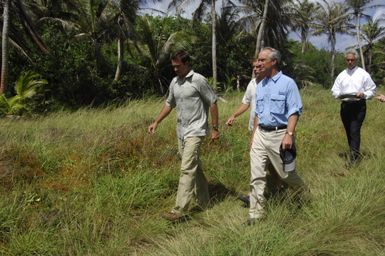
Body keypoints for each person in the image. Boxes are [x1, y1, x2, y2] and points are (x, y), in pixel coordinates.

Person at [148, 50, 219, 222]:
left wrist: (215, 128)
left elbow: (213, 101)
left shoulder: (198, 80)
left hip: (196, 130)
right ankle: (204, 201)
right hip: (181, 131)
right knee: (193, 165)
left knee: (186, 168)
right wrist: (156, 121)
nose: (175, 69)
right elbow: (169, 104)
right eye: (173, 66)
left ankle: (179, 210)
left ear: (187, 64)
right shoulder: (174, 82)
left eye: (178, 66)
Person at [247, 47, 307, 225]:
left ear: (273, 61)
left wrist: (289, 134)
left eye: (262, 60)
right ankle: (255, 215)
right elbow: (258, 113)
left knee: (286, 174)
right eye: (258, 60)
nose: (258, 63)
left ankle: (303, 194)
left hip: (279, 135)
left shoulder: (288, 83)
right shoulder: (261, 84)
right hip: (260, 134)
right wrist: (253, 135)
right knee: (256, 175)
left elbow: (294, 111)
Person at [226, 58, 284, 205]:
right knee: (258, 163)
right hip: (255, 129)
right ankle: (255, 196)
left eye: (258, 67)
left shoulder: (273, 83)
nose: (256, 69)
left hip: (271, 130)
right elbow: (246, 102)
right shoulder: (252, 84)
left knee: (273, 163)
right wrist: (234, 115)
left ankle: (279, 189)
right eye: (254, 67)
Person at [331, 49, 376, 165]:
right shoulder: (342, 75)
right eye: (348, 60)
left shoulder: (363, 74)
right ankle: (353, 152)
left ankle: (354, 160)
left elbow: (372, 89)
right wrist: (339, 95)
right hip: (345, 105)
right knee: (348, 130)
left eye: (352, 60)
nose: (350, 62)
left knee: (354, 130)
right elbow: (334, 90)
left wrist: (364, 94)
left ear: (356, 60)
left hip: (358, 105)